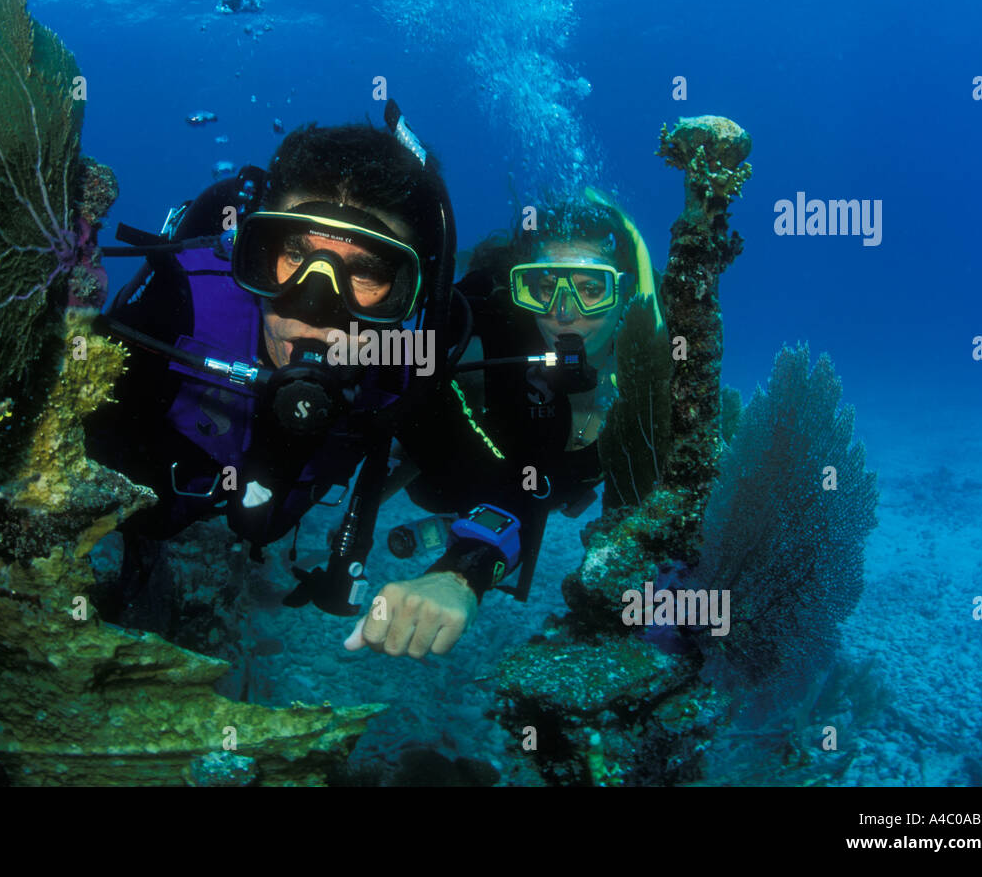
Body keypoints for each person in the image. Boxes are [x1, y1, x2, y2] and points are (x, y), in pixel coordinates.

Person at [85, 112, 521, 660]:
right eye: (294, 253)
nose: (315, 305)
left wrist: (461, 576)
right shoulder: (182, 306)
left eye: (364, 271)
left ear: (409, 293)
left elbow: (509, 489)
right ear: (257, 250)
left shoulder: (403, 367)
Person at [391, 187, 668, 604]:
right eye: (543, 286)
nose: (562, 312)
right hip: (463, 481)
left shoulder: (651, 370)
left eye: (591, 289)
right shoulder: (488, 347)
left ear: (625, 294)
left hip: (546, 490)